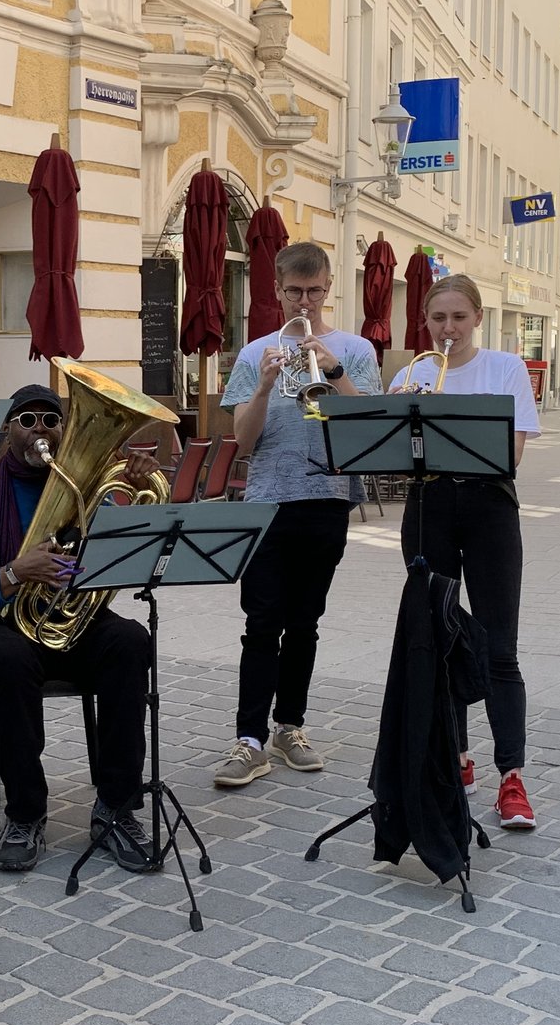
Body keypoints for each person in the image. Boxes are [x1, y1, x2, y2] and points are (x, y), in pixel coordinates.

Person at [0, 385, 155, 872]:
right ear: (8, 430)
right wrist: (16, 573)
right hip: (4, 627)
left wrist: (139, 506)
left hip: (74, 620)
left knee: (130, 641)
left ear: (64, 430)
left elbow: (126, 561)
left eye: (50, 420)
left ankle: (117, 807)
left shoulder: (90, 488)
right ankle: (26, 813)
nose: (41, 429)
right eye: (27, 420)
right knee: (11, 661)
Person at [213, 242, 383, 789]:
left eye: (313, 292)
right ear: (277, 290)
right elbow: (241, 442)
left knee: (305, 623)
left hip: (328, 497)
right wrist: (263, 383)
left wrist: (333, 373)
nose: (304, 302)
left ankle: (290, 726)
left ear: (329, 287)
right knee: (261, 622)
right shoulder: (255, 352)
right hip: (267, 499)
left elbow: (369, 432)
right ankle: (248, 739)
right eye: (294, 292)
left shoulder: (355, 350)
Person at [392, 275, 541, 829]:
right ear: (426, 322)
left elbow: (514, 452)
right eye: (438, 319)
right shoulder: (415, 373)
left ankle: (512, 776)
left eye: (458, 318)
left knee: (500, 646)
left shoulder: (504, 367)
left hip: (489, 507)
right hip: (429, 505)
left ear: (477, 317)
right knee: (440, 637)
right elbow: (387, 447)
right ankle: (455, 756)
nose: (447, 328)